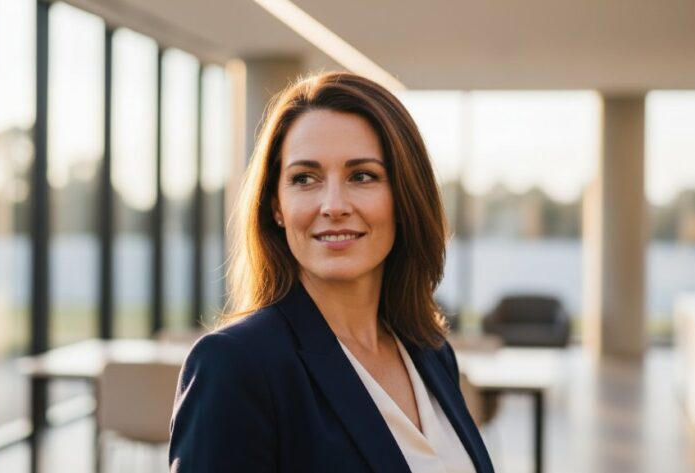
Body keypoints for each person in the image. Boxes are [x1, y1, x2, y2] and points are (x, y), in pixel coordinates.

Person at [168, 72, 494, 473]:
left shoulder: (432, 353)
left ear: (404, 195)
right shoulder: (236, 365)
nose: (334, 205)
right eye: (305, 179)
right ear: (277, 206)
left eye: (362, 176)